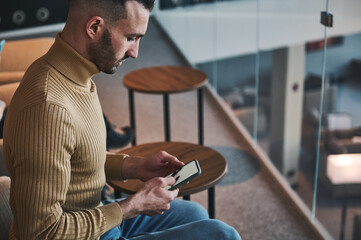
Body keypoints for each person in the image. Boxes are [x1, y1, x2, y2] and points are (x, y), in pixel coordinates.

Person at [3, 0, 242, 239]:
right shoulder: (48, 107)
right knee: (222, 234)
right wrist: (131, 207)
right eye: (130, 38)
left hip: (94, 216)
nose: (135, 52)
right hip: (79, 233)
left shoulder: (74, 75)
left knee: (195, 213)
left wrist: (136, 166)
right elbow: (40, 232)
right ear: (94, 27)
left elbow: (77, 160)